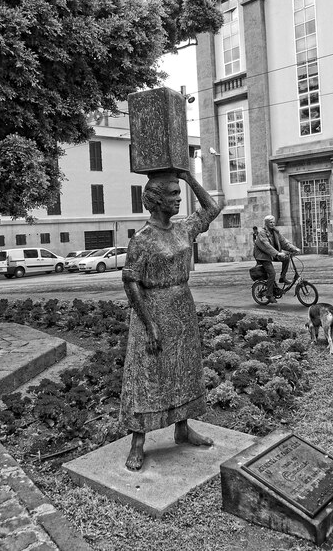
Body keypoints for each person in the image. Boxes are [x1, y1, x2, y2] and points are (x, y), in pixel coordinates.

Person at [120, 170, 221, 471]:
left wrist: (190, 178)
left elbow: (212, 209)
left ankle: (182, 428)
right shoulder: (142, 239)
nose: (179, 199)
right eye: (173, 194)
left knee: (184, 369)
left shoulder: (183, 229)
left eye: (179, 193)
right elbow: (131, 281)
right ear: (155, 200)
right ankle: (138, 442)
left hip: (182, 307)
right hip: (153, 310)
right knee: (147, 375)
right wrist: (149, 323)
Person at [253, 215, 300, 303]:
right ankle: (269, 294)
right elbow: (267, 246)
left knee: (286, 258)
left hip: (272, 254)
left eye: (273, 222)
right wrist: (278, 253)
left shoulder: (275, 232)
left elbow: (284, 242)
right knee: (272, 273)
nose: (272, 224)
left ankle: (282, 277)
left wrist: (294, 248)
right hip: (263, 256)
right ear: (266, 223)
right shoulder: (262, 233)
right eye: (270, 222)